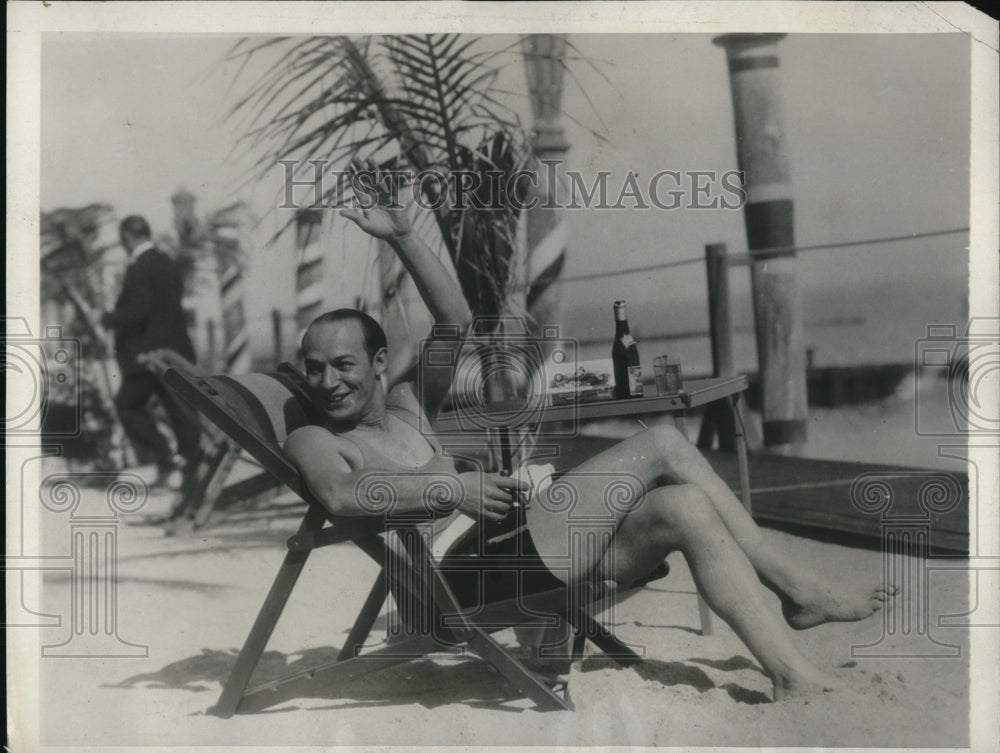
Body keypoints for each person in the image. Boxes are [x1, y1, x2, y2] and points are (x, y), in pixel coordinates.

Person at [283, 165, 897, 702]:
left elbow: (455, 321)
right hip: (458, 575)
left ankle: (788, 671)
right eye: (315, 368)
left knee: (683, 506)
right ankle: (793, 583)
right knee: (662, 443)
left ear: (379, 363)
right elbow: (338, 496)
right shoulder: (314, 438)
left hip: (514, 544)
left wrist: (405, 235)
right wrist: (450, 492)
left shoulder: (407, 404)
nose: (328, 381)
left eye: (343, 365)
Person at [102, 215, 202, 491]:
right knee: (181, 414)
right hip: (176, 353)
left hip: (147, 357)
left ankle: (164, 458)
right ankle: (192, 478)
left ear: (127, 237)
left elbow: (139, 310)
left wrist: (111, 318)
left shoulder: (139, 268)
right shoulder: (167, 262)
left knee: (128, 407)